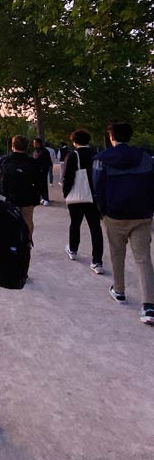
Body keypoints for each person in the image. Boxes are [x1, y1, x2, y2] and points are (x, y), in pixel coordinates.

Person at [93, 122, 154, 326]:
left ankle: (119, 290)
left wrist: (102, 211)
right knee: (143, 259)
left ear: (112, 138)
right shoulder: (146, 157)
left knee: (117, 254)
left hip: (114, 214)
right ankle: (148, 305)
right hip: (142, 214)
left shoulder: (102, 160)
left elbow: (97, 187)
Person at [62, 129, 104, 273]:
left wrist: (66, 193)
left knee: (75, 223)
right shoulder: (96, 155)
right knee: (95, 228)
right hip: (93, 196)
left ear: (74, 141)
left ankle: (73, 249)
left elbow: (68, 176)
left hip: (77, 195)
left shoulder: (73, 155)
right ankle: (97, 261)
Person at [0, 135, 40, 237]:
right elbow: (38, 181)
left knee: (8, 221)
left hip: (9, 195)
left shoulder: (5, 160)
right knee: (28, 220)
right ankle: (26, 243)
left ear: (13, 146)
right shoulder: (32, 162)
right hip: (27, 196)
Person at [33, 137, 53, 205]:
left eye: (34, 142)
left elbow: (46, 161)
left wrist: (43, 169)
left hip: (43, 169)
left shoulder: (43, 151)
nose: (33, 144)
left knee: (43, 183)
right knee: (40, 184)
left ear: (38, 143)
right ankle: (43, 198)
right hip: (39, 170)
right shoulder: (37, 150)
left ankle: (46, 199)